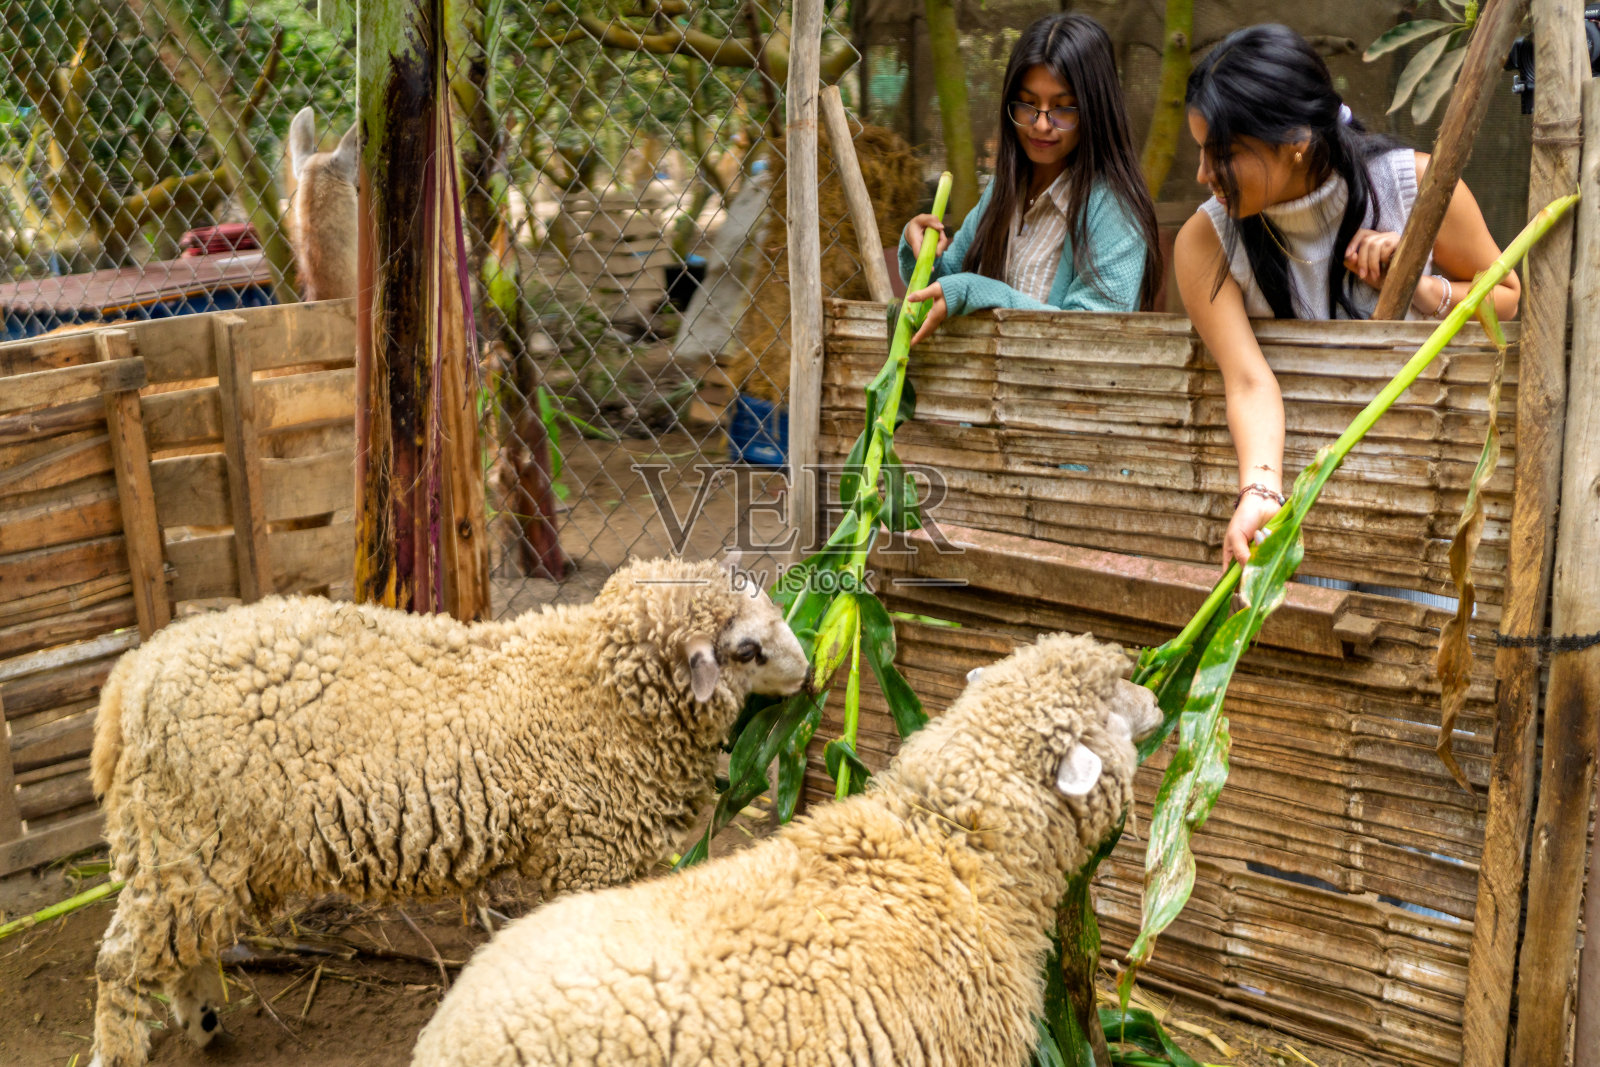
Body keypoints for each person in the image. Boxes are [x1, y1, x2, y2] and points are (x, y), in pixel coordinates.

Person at [1174, 23, 1520, 569]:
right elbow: (1247, 379)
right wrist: (1261, 493)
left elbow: (1506, 296)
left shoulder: (1416, 187)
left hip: (1428, 493)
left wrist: (1422, 285)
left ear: (1295, 143)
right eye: (1200, 153)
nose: (1201, 175)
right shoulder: (1205, 241)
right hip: (1308, 516)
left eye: (1222, 155)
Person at [898, 12, 1161, 345]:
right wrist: (920, 252)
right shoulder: (1003, 190)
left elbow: (1092, 339)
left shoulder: (1115, 212)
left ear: (1095, 111)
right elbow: (947, 285)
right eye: (1028, 105)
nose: (1040, 124)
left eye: (1064, 108)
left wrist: (984, 293)